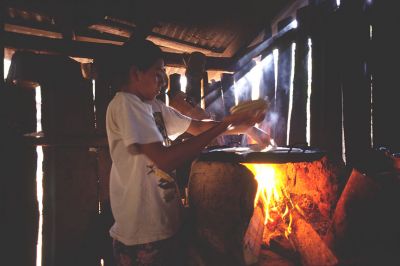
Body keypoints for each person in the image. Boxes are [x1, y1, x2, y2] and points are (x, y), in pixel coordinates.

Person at [105, 39, 270, 266]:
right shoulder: (125, 104)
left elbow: (199, 127)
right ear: (135, 73)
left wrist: (247, 127)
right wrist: (224, 126)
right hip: (142, 236)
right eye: (158, 72)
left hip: (165, 226)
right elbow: (164, 159)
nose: (163, 79)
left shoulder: (154, 107)